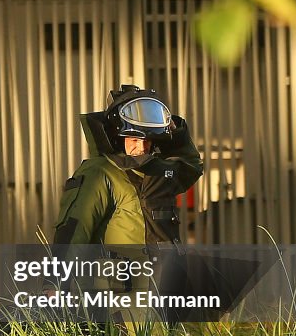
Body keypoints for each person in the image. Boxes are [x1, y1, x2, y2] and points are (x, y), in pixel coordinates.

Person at [53, 84, 203, 249]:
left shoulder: (158, 171)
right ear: (118, 138)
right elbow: (73, 235)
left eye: (147, 140)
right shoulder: (100, 172)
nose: (141, 147)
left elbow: (191, 166)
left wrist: (177, 133)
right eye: (134, 140)